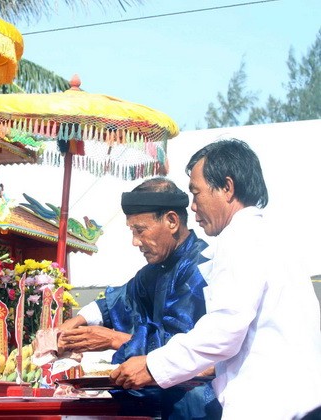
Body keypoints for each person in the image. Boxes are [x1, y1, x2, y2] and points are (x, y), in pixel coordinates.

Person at [110, 139, 321, 419]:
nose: (193, 207)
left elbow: (223, 331)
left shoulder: (241, 239)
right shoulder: (268, 234)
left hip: (270, 404)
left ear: (227, 188)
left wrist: (152, 366)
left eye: (196, 194)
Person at [59, 177, 221, 420]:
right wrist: (78, 321)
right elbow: (121, 300)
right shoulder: (159, 267)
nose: (135, 242)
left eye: (140, 230)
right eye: (132, 231)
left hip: (196, 408)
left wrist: (113, 339)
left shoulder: (199, 270)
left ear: (171, 221)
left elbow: (185, 349)